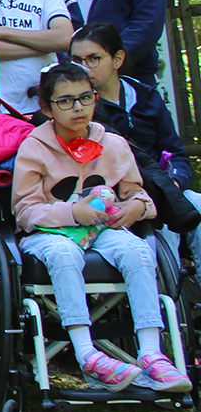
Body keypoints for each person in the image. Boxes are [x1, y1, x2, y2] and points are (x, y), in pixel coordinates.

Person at [12, 63, 188, 392]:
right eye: (65, 101)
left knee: (137, 250)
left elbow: (135, 191)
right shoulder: (34, 147)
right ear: (47, 107)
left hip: (103, 231)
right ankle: (87, 354)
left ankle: (151, 354)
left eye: (85, 97)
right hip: (50, 234)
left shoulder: (114, 143)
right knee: (64, 254)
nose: (78, 107)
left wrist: (137, 206)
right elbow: (24, 211)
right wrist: (71, 212)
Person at [73, 23, 200, 255]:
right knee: (162, 215)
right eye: (77, 61)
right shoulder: (77, 109)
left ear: (117, 59)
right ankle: (164, 286)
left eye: (93, 58)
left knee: (195, 203)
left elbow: (176, 153)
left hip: (160, 184)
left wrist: (173, 183)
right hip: (113, 195)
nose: (84, 68)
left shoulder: (146, 96)